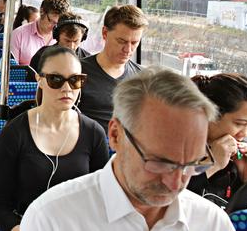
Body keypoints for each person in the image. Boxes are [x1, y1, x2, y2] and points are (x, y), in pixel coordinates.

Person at [20, 67, 234, 230]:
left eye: (192, 164)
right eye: (160, 162)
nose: (176, 183)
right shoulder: (53, 219)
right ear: (115, 135)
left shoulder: (211, 223)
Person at [0, 46, 109, 231]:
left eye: (75, 80)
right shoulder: (14, 133)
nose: (67, 88)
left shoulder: (94, 133)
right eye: (56, 79)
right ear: (40, 80)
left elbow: (101, 197)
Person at [187, 73, 247, 208]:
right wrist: (211, 165)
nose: (245, 133)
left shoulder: (237, 159)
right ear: (209, 115)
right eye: (239, 123)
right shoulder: (177, 149)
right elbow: (169, 203)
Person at [79, 5, 148, 133]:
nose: (128, 50)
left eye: (134, 43)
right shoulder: (77, 72)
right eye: (121, 41)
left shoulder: (143, 77)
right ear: (105, 33)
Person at [11, 0, 70, 65]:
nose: (55, 27)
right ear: (42, 12)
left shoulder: (64, 37)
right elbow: (12, 71)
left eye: (59, 23)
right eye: (52, 21)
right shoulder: (18, 35)